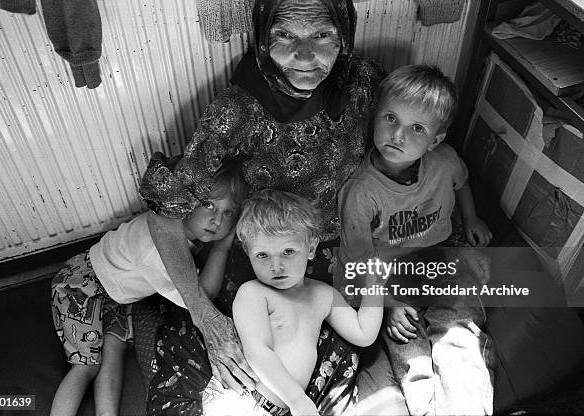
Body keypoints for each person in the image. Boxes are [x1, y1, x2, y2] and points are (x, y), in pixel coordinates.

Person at [135, 0, 385, 414]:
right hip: (257, 258)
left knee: (336, 367)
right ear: (263, 39)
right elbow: (164, 213)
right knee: (208, 371)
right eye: (285, 34)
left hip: (316, 256)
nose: (304, 55)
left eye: (322, 34)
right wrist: (203, 314)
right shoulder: (237, 110)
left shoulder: (361, 83)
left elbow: (410, 125)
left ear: (344, 37)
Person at [338, 65, 494, 415]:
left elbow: (461, 181)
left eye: (417, 128)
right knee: (413, 357)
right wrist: (388, 305)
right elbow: (356, 262)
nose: (398, 135)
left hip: (442, 263)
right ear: (375, 117)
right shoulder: (362, 192)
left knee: (460, 339)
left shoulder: (444, 161)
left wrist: (470, 218)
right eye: (390, 118)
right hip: (390, 279)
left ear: (435, 140)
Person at [49, 161, 247, 416]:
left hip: (116, 295)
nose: (217, 220)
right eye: (208, 204)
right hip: (81, 285)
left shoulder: (179, 229)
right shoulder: (155, 250)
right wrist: (222, 247)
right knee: (86, 366)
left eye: (228, 213)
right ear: (187, 201)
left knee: (114, 347)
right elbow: (202, 298)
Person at [200, 189, 384, 416]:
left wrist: (376, 283)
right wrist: (297, 400)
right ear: (248, 252)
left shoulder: (323, 295)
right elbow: (257, 351)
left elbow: (363, 333)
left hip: (294, 408)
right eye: (263, 255)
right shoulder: (253, 293)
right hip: (246, 399)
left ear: (312, 247)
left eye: (288, 252)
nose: (276, 266)